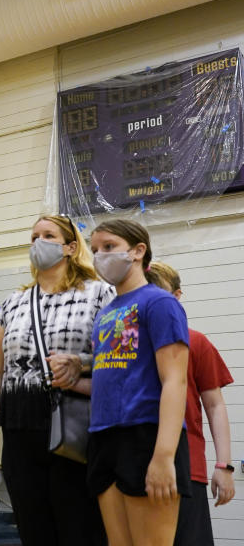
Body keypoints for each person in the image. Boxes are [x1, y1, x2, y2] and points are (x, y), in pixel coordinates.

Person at [0, 214, 113, 546]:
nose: (38, 242)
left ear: (70, 247)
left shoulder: (99, 293)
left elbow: (121, 358)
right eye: (34, 236)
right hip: (19, 427)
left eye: (48, 235)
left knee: (80, 527)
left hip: (74, 424)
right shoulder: (13, 304)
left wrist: (81, 362)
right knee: (33, 527)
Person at [87, 220, 190, 546]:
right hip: (103, 437)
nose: (99, 256)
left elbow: (175, 380)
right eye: (94, 250)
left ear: (138, 250)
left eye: (108, 247)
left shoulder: (159, 303)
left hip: (145, 435)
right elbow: (111, 377)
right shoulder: (104, 315)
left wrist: (163, 456)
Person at [144, 261, 234, 546]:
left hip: (186, 469)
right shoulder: (125, 345)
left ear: (177, 296)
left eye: (160, 295)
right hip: (135, 466)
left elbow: (215, 405)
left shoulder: (195, 342)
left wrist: (224, 465)